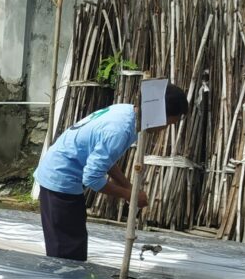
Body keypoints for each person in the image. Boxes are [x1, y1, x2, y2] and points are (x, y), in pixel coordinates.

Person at [33, 83, 189, 261]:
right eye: (170, 123)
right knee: (67, 253)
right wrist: (129, 195)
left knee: (71, 243)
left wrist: (129, 187)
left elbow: (104, 159)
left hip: (59, 173)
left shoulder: (126, 112)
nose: (165, 129)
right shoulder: (120, 130)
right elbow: (92, 178)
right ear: (159, 115)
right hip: (60, 179)